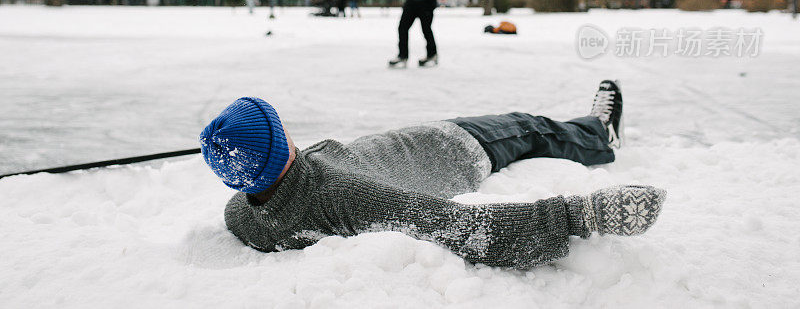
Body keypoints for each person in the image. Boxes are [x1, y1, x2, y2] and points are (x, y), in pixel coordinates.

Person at [199, 80, 666, 270]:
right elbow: (467, 230)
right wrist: (583, 214)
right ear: (280, 146)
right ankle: (600, 133)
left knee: (528, 125)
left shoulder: (244, 211)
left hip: (423, 141)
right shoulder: (345, 195)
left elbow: (256, 185)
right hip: (457, 149)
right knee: (531, 127)